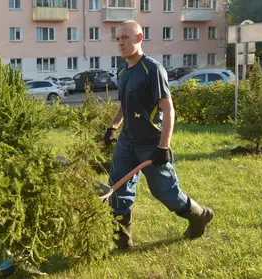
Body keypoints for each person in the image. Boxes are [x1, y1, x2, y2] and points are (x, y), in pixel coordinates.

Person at [103, 20, 214, 249]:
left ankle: (199, 215)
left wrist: (163, 146)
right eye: (118, 39)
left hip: (150, 143)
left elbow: (168, 108)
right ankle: (122, 241)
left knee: (166, 192)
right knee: (118, 189)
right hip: (127, 141)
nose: (121, 42)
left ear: (139, 38)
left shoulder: (152, 69)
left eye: (126, 37)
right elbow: (124, 104)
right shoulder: (122, 69)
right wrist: (113, 127)